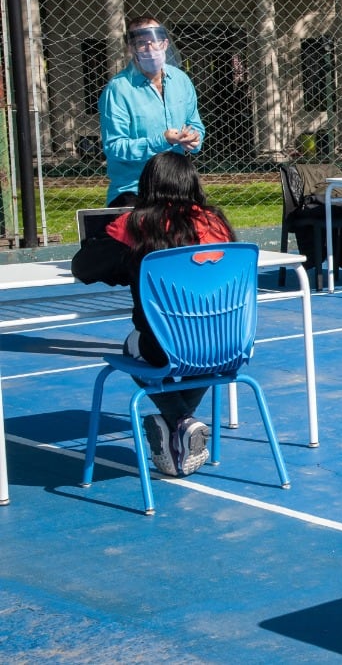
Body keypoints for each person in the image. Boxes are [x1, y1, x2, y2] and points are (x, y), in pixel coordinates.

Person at [72, 152, 236, 478]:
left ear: (147, 185)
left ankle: (181, 420)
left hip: (165, 345)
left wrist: (122, 263)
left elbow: (84, 268)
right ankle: (181, 430)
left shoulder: (136, 225)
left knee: (133, 344)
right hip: (229, 344)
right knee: (198, 356)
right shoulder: (217, 222)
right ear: (193, 182)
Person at [99, 16, 204, 206]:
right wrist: (161, 141)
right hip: (133, 189)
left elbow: (195, 124)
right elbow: (114, 147)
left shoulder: (181, 80)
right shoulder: (118, 89)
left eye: (155, 41)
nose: (150, 49)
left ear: (164, 43)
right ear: (131, 48)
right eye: (141, 43)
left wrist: (195, 138)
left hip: (177, 186)